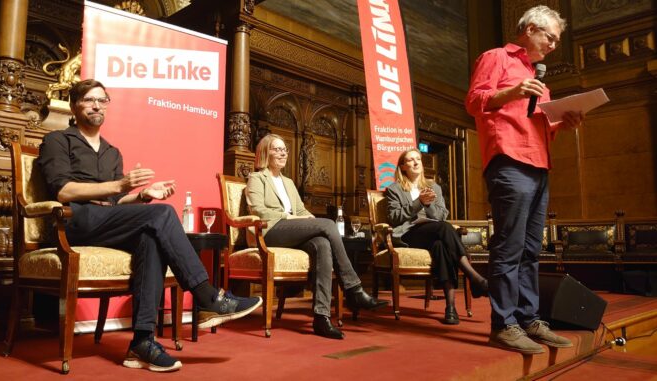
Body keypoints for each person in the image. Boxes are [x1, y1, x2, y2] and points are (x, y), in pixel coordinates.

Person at [37, 79, 263, 372]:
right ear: (74, 105)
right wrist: (119, 184)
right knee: (163, 215)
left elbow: (116, 203)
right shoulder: (57, 140)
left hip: (105, 223)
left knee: (150, 237)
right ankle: (207, 297)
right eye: (89, 100)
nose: (96, 105)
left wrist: (142, 195)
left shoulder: (111, 151)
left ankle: (142, 342)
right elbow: (63, 191)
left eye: (102, 100)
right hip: (74, 221)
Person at [465, 6, 583, 354]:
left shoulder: (537, 75)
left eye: (557, 41)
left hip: (539, 164)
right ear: (530, 28)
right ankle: (504, 324)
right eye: (550, 37)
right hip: (509, 161)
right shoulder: (496, 57)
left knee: (532, 249)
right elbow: (474, 102)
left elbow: (539, 124)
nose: (553, 46)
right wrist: (512, 92)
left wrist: (565, 121)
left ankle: (529, 318)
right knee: (510, 246)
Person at [245, 133, 388, 340]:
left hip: (289, 229)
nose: (283, 153)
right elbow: (257, 210)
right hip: (269, 231)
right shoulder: (257, 178)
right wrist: (289, 216)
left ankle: (321, 317)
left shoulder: (289, 182)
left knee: (322, 243)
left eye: (284, 149)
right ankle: (353, 289)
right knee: (328, 225)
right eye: (277, 149)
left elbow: (301, 211)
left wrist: (310, 219)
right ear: (265, 152)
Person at [385, 149, 489, 325]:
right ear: (403, 167)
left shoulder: (434, 187)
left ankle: (450, 307)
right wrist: (419, 202)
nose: (416, 162)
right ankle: (473, 276)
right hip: (411, 233)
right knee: (445, 229)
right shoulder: (394, 189)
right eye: (410, 160)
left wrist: (429, 203)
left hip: (434, 231)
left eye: (418, 159)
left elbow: (440, 216)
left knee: (441, 245)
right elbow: (394, 217)